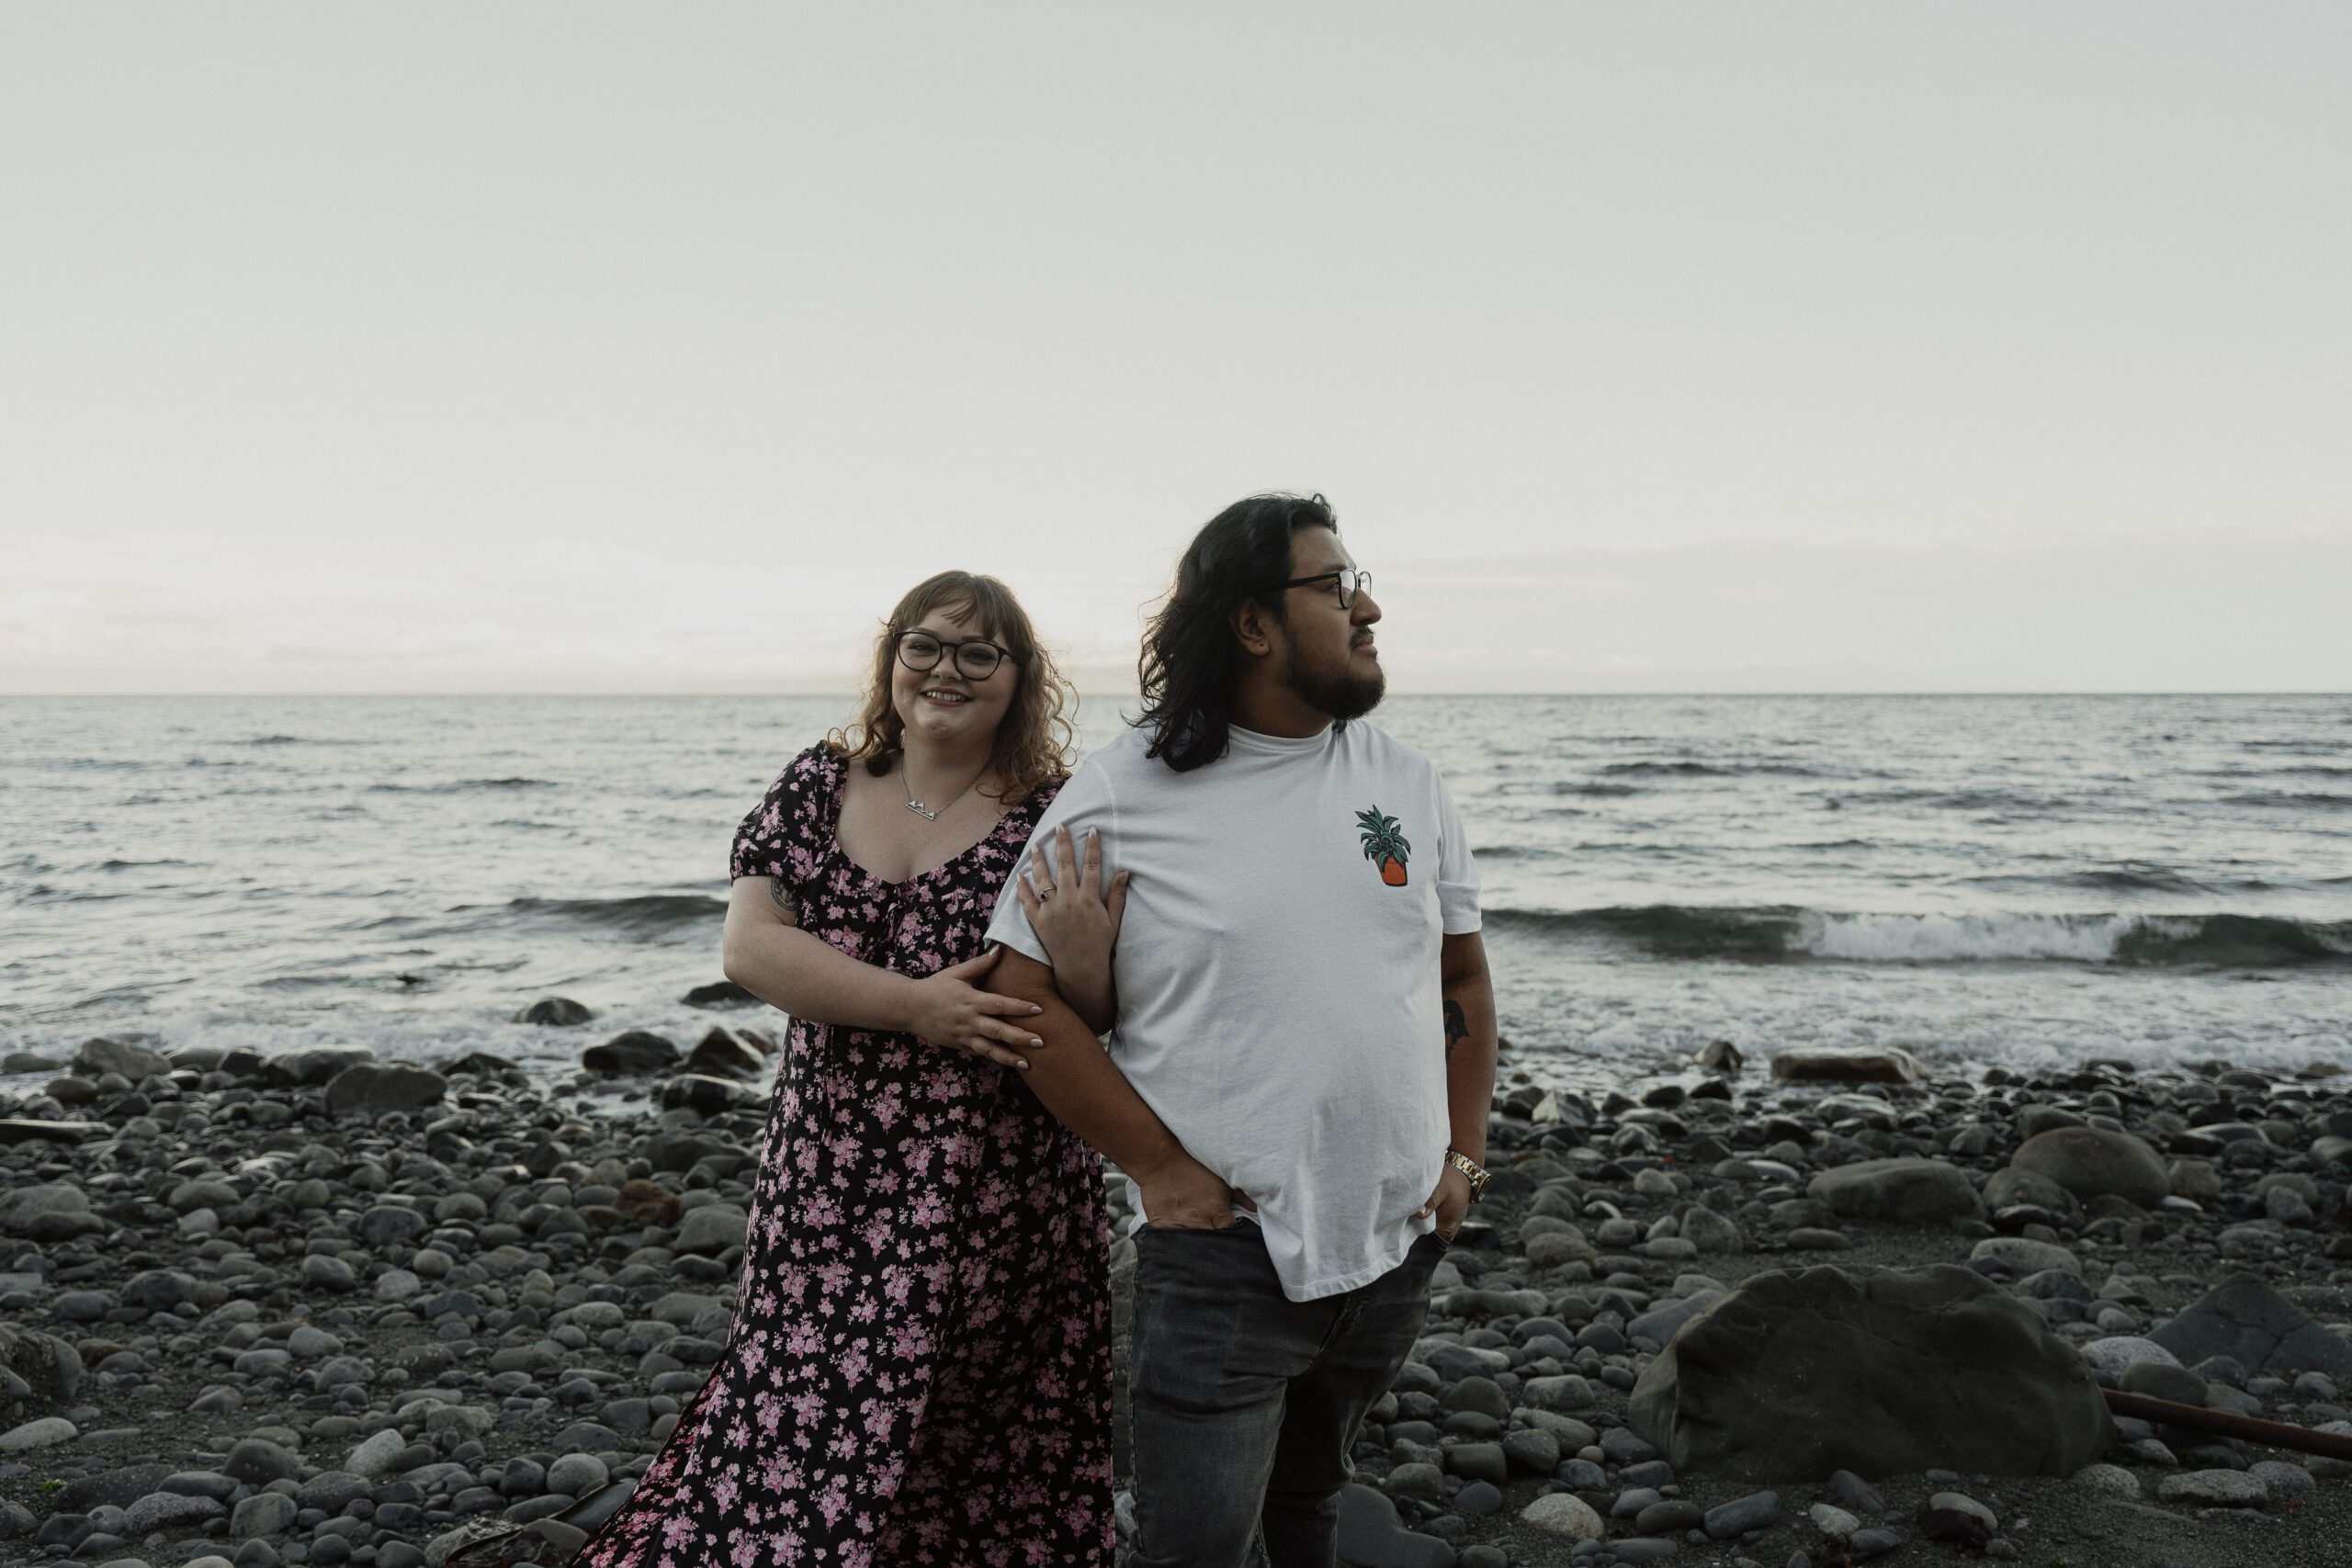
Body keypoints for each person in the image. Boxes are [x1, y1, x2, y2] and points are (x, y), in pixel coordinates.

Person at [983, 493, 1498, 1567]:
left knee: (1311, 1503)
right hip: (1225, 1255)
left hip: (1396, 1241)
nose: (1368, 608)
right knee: (1198, 1549)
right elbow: (1022, 1002)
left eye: (1359, 583)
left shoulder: (1405, 781)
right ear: (1253, 623)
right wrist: (1156, 1168)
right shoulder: (1125, 789)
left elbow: (1458, 973)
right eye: (1335, 586)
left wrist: (1463, 1158)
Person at [576, 571, 1120, 1568]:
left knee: (978, 1413)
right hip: (826, 1164)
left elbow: (1095, 1014)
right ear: (891, 658)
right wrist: (918, 1005)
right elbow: (750, 949)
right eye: (925, 646)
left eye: (979, 653)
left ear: (1018, 677)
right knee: (800, 1392)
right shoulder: (819, 783)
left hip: (996, 1173)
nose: (947, 670)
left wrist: (1087, 960)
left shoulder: (1060, 811)